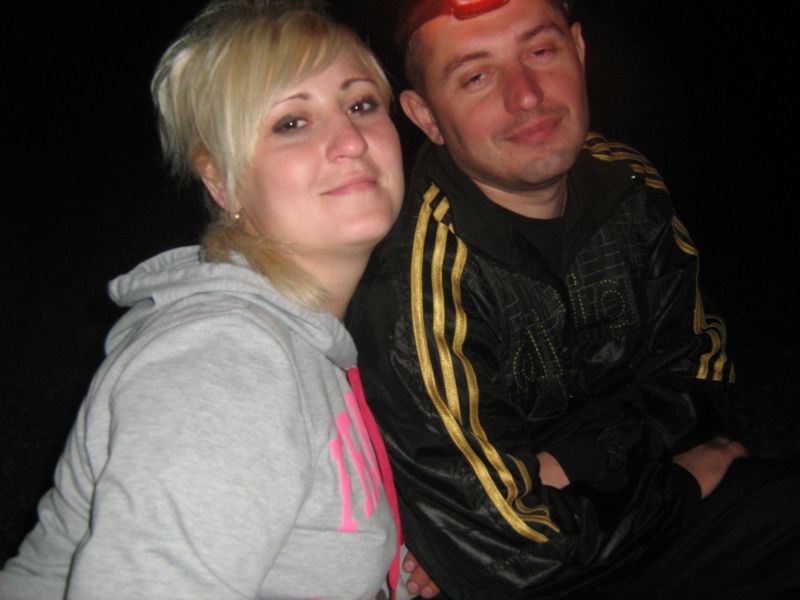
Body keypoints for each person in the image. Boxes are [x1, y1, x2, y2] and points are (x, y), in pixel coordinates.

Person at [347, 0, 800, 598]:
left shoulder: (628, 184)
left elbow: (698, 375)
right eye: (476, 76)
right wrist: (681, 482)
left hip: (643, 511)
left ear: (580, 52)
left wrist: (564, 466)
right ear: (427, 116)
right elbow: (511, 559)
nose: (526, 95)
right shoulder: (414, 285)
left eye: (541, 51)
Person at [0, 1, 407, 598]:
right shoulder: (230, 356)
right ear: (221, 181)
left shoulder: (301, 335)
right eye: (292, 122)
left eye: (361, 104)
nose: (349, 140)